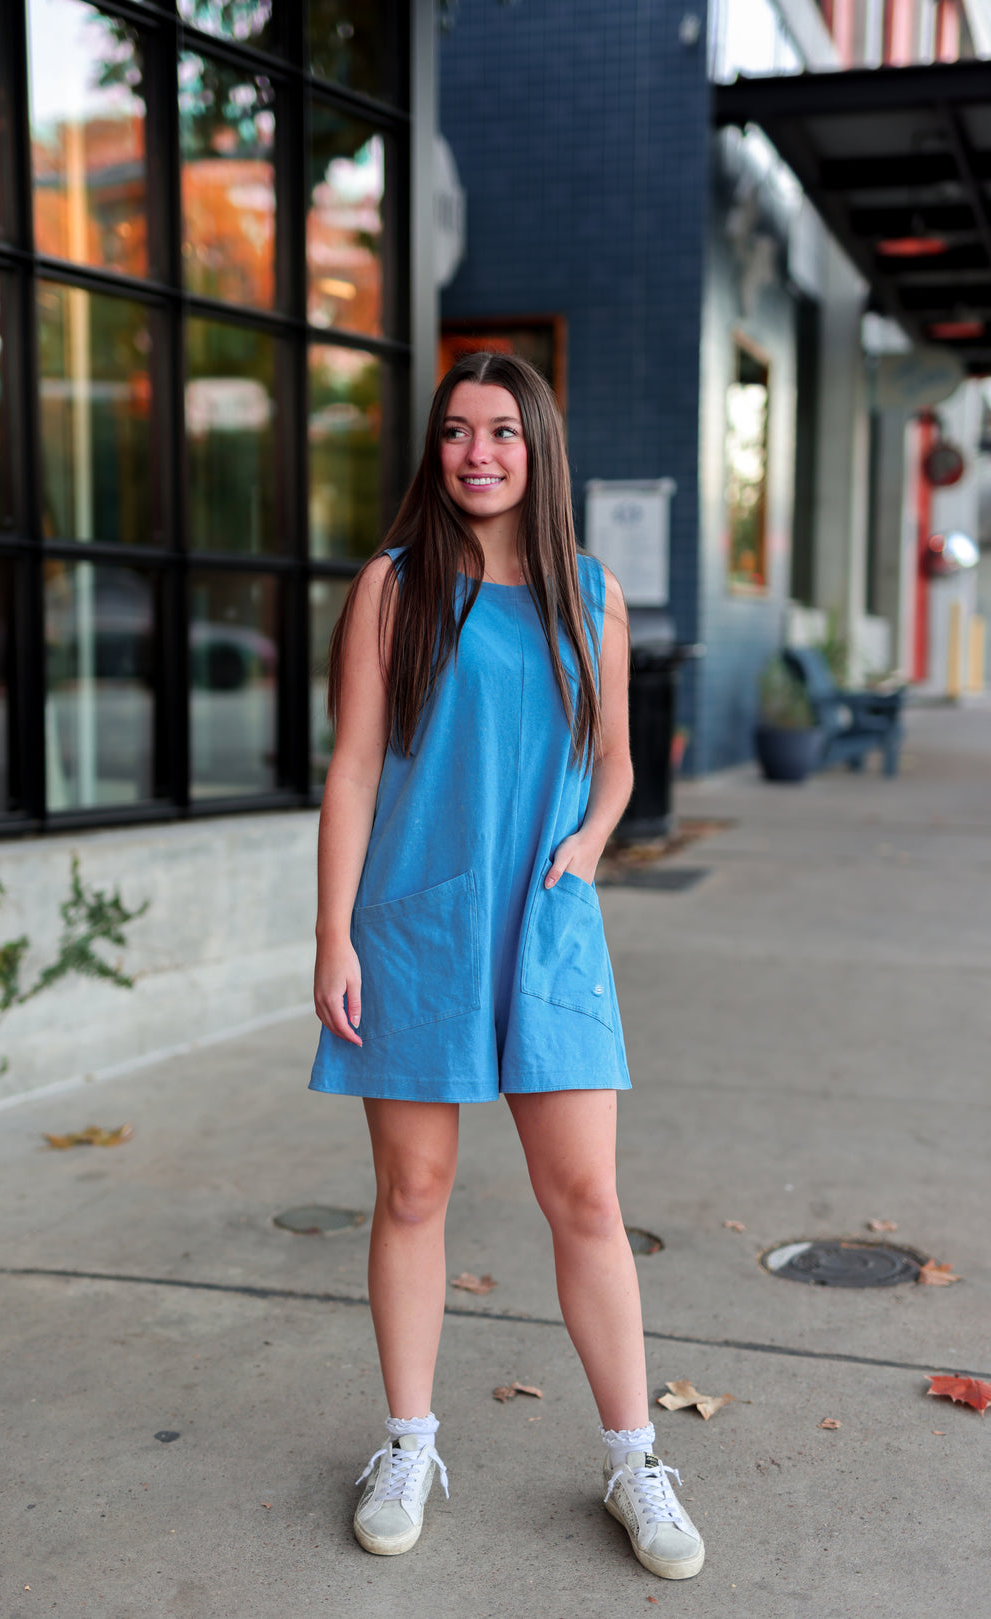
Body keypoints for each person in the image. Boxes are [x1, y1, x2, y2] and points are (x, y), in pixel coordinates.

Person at [310, 351, 704, 1581]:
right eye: (454, 432)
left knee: (586, 1197)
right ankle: (411, 1443)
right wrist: (333, 933)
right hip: (417, 921)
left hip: (546, 924)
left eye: (501, 432)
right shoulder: (394, 587)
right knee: (414, 1192)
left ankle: (637, 1459)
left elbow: (622, 763)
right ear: (434, 452)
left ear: (537, 448)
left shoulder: (595, 591)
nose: (476, 452)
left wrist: (588, 844)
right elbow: (357, 770)